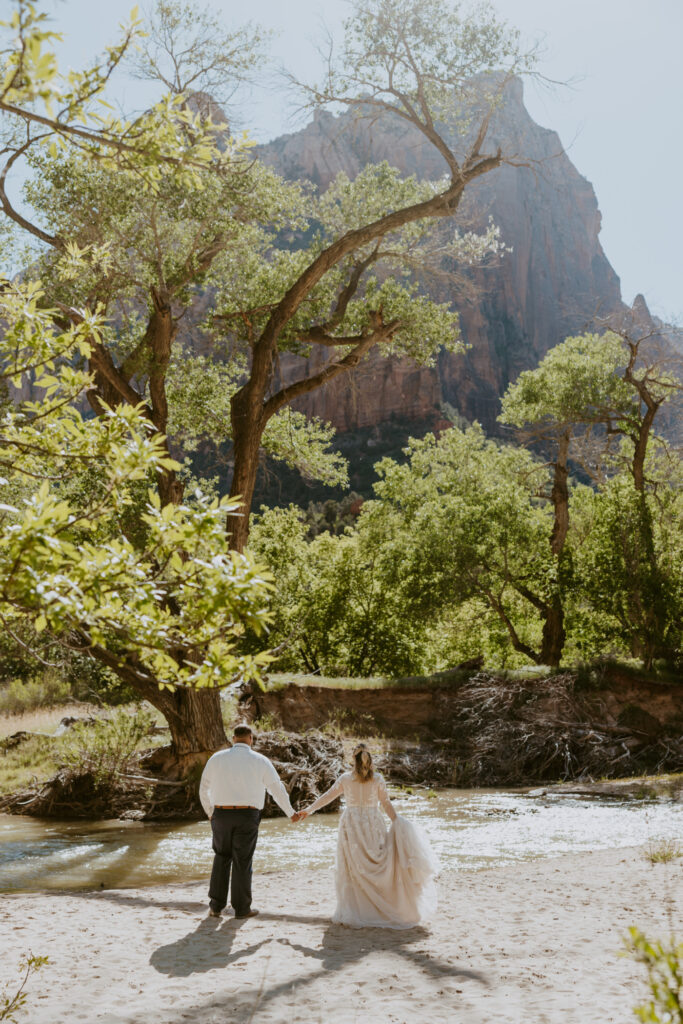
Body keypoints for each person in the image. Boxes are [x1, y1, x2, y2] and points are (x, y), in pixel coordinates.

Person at [295, 743, 439, 928]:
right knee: (379, 863)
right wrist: (398, 822)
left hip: (352, 825)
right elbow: (386, 804)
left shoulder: (346, 779)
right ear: (369, 759)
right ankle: (379, 907)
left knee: (354, 868)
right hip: (373, 823)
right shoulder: (377, 778)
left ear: (353, 760)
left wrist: (309, 810)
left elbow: (327, 797)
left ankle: (359, 909)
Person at [199, 723, 297, 919]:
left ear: (233, 738)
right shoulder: (260, 760)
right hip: (247, 816)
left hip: (221, 814)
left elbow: (203, 788)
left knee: (221, 857)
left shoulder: (216, 758)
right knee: (242, 861)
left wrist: (210, 812)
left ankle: (216, 907)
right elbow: (276, 788)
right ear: (250, 739)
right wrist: (290, 812)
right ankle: (242, 909)